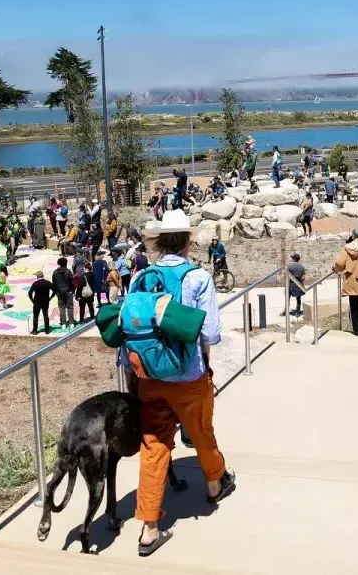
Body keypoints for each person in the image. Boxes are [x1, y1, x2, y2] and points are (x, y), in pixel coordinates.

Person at [132, 209, 234, 555]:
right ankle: (213, 483)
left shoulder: (141, 277)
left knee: (154, 446)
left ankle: (148, 527)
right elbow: (211, 333)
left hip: (148, 377)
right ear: (189, 241)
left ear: (158, 241)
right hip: (189, 375)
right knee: (201, 432)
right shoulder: (198, 278)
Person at [52, 257, 74, 326]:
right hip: (68, 292)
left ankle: (63, 323)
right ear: (66, 263)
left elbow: (54, 283)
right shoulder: (68, 272)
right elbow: (72, 282)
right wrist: (73, 291)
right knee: (70, 307)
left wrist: (56, 292)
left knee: (62, 308)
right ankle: (71, 322)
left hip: (59, 292)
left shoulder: (55, 272)